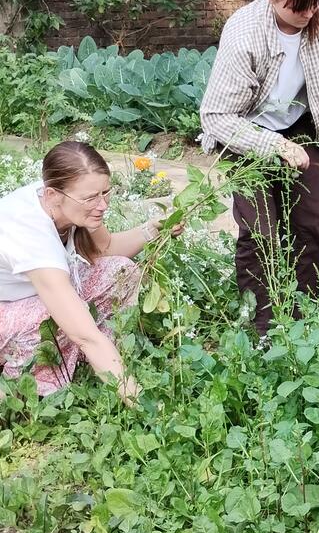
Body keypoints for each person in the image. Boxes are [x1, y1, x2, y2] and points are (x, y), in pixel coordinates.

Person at [199, 0, 319, 335]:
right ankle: (264, 331)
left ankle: (314, 319)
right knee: (260, 234)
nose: (308, 14)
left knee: (314, 225)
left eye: (313, 4)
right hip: (245, 132)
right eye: (297, 8)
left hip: (299, 124)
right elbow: (216, 116)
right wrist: (277, 148)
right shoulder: (244, 34)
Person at [0, 142, 182, 401]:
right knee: (56, 317)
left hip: (27, 299)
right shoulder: (30, 233)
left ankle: (96, 363)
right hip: (8, 310)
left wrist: (154, 230)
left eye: (106, 193)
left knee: (121, 272)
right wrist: (139, 402)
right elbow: (85, 335)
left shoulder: (69, 201)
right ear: (52, 195)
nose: (102, 205)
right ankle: (25, 389)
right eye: (91, 198)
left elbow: (107, 249)